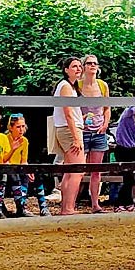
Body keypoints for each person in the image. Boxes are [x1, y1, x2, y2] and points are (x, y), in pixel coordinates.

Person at [77, 54, 111, 214]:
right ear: (83, 66)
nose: (92, 66)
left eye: (95, 63)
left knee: (96, 170)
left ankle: (95, 204)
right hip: (81, 131)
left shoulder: (103, 85)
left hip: (98, 131)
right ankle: (70, 203)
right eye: (89, 63)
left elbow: (107, 108)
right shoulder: (77, 85)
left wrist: (105, 124)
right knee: (77, 169)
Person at [51, 56, 85, 216]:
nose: (78, 68)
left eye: (79, 66)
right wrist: (77, 137)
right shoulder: (65, 86)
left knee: (70, 170)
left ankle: (67, 207)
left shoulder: (70, 87)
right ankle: (68, 208)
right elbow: (68, 114)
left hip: (68, 128)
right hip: (69, 131)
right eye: (74, 66)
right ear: (66, 70)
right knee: (77, 170)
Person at [5, 114, 50, 217]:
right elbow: (3, 158)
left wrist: (29, 170)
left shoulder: (24, 141)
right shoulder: (5, 139)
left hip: (19, 167)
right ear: (11, 128)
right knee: (19, 177)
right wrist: (13, 149)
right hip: (8, 167)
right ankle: (21, 206)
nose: (21, 129)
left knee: (35, 175)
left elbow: (24, 160)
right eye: (18, 127)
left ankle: (43, 207)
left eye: (23, 126)